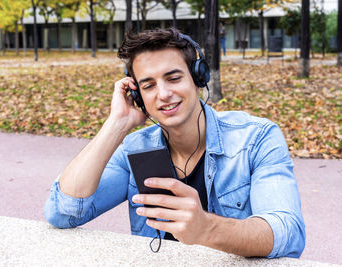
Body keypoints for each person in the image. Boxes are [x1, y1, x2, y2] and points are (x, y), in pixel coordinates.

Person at [44, 28, 305, 258]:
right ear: (138, 96)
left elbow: (287, 232)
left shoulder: (257, 138)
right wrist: (116, 125)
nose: (164, 94)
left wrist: (206, 228)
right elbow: (63, 212)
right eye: (148, 86)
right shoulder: (135, 149)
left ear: (198, 78)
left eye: (173, 78)